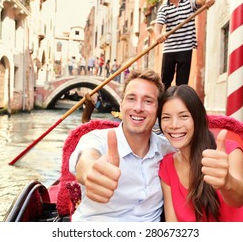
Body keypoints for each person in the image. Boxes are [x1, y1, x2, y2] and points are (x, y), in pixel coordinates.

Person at [69, 69, 173, 221]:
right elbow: (86, 160)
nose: (138, 107)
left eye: (148, 101)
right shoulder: (97, 139)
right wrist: (92, 172)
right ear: (121, 105)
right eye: (131, 99)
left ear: (158, 110)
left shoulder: (167, 149)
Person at [157, 85, 243, 222]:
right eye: (166, 117)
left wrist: (227, 182)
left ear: (198, 118)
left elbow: (238, 200)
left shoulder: (230, 151)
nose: (174, 125)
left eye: (184, 116)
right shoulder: (167, 165)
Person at [154, 0, 215, 90]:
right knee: (165, 83)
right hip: (169, 49)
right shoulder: (164, 8)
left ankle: (178, 107)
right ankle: (164, 107)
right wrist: (158, 35)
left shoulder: (189, 1)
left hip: (185, 48)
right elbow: (158, 26)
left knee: (182, 85)